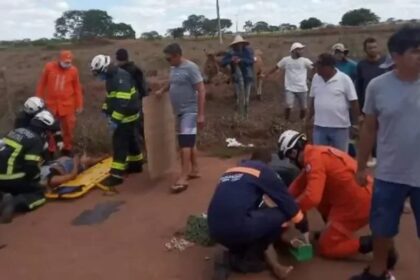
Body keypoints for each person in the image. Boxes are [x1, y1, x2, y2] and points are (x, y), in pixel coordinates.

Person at [351, 25, 420, 280]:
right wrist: (360, 167)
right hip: (390, 172)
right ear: (396, 55)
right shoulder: (378, 87)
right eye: (416, 51)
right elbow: (369, 128)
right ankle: (378, 271)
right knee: (381, 228)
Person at [278, 130, 397, 267]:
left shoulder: (313, 160)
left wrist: (292, 211)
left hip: (358, 203)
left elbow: (312, 197)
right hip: (362, 195)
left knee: (326, 247)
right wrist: (284, 203)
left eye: (289, 157)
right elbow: (297, 186)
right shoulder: (316, 154)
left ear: (293, 152)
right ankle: (333, 231)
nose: (290, 161)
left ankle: (378, 244)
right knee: (318, 196)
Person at [207, 149, 308, 280]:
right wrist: (302, 223)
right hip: (237, 227)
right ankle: (249, 258)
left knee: (252, 216)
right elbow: (286, 201)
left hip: (214, 228)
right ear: (268, 163)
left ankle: (237, 251)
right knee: (282, 214)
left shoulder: (232, 170)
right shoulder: (263, 170)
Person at [155, 43, 206, 194]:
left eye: (169, 58)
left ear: (177, 55)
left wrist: (201, 114)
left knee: (184, 143)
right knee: (189, 141)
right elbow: (172, 82)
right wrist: (162, 90)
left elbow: (201, 90)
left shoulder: (191, 68)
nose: (168, 61)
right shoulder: (174, 68)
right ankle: (195, 169)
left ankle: (183, 176)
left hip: (190, 112)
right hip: (179, 112)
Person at [90, 54, 143, 188]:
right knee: (132, 141)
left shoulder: (120, 78)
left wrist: (114, 120)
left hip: (125, 117)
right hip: (130, 115)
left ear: (106, 68)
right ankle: (136, 165)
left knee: (120, 145)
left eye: (100, 72)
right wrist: (105, 108)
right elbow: (111, 97)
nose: (99, 76)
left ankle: (116, 176)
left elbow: (122, 102)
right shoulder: (111, 77)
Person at [0, 110, 57, 223]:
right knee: (39, 194)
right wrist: (37, 182)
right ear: (44, 130)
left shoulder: (15, 131)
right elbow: (30, 168)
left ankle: (4, 197)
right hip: (11, 178)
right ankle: (15, 203)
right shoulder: (36, 140)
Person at [307, 53, 360, 152]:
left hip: (340, 127)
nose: (316, 69)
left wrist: (355, 124)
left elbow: (354, 102)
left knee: (340, 157)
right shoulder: (316, 78)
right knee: (320, 156)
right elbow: (313, 99)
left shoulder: (344, 79)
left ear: (328, 67)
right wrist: (308, 119)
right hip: (319, 127)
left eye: (319, 66)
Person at [36, 50, 83, 156]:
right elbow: (41, 84)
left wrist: (79, 104)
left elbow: (77, 89)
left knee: (68, 129)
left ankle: (67, 149)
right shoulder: (49, 67)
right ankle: (51, 150)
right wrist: (38, 100)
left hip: (68, 105)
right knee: (49, 129)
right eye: (65, 62)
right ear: (60, 60)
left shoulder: (73, 71)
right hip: (51, 105)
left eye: (69, 62)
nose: (68, 64)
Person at [355, 38, 388, 167]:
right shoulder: (361, 65)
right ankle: (374, 156)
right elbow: (359, 87)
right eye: (370, 48)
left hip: (385, 103)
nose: (373, 50)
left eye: (375, 47)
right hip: (369, 105)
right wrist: (360, 109)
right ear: (365, 50)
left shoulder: (386, 63)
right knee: (371, 130)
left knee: (385, 130)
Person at [266, 42, 313, 122]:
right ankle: (286, 120)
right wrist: (267, 74)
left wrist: (312, 78)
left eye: (302, 49)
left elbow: (314, 68)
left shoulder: (305, 61)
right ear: (293, 51)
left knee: (303, 107)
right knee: (288, 104)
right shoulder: (286, 60)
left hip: (302, 88)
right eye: (299, 50)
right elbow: (276, 67)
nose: (301, 51)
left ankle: (302, 121)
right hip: (290, 87)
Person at [115, 48, 148, 143]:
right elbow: (142, 85)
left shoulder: (121, 71)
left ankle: (141, 142)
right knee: (138, 123)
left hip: (132, 101)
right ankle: (143, 142)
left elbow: (141, 85)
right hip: (135, 100)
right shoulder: (135, 68)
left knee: (137, 124)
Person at [221, 35, 254, 118]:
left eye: (241, 44)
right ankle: (240, 114)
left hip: (247, 76)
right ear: (235, 45)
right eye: (237, 44)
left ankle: (246, 113)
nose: (239, 45)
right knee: (239, 96)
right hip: (236, 77)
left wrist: (241, 60)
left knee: (246, 98)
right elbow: (223, 62)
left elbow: (251, 61)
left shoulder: (247, 51)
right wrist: (231, 60)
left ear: (243, 44)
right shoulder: (230, 52)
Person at [40, 154, 108, 190]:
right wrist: (75, 163)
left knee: (85, 156)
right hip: (72, 167)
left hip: (62, 162)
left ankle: (103, 155)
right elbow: (72, 176)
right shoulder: (52, 179)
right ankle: (104, 156)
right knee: (85, 160)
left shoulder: (41, 172)